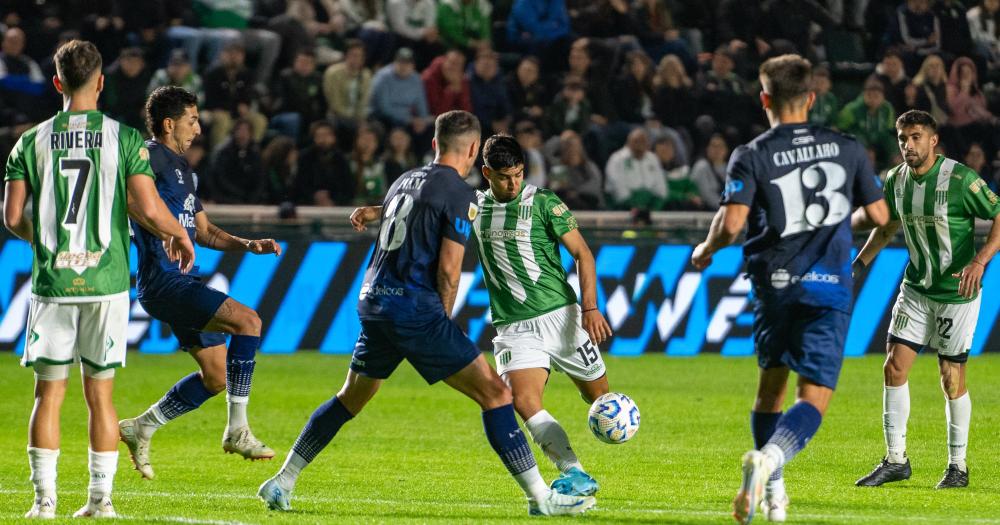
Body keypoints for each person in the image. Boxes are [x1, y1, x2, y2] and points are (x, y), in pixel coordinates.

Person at [257, 111, 596, 516]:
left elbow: (405, 212)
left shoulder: (406, 179)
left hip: (374, 302)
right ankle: (542, 499)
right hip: (415, 310)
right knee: (497, 394)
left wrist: (372, 210)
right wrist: (442, 322)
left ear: (435, 144)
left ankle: (282, 480)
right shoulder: (459, 193)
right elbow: (449, 270)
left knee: (350, 398)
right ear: (473, 150)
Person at [351, 134, 615, 497]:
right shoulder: (473, 205)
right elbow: (426, 208)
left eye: (519, 174)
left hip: (562, 318)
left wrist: (590, 309)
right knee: (523, 402)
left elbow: (583, 254)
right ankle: (575, 472)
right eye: (506, 176)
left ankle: (613, 419)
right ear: (487, 172)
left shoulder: (544, 204)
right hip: (513, 327)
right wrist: (376, 211)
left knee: (599, 398)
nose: (513, 183)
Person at [689, 54, 888, 524]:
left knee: (769, 393)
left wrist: (706, 248)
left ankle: (775, 497)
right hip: (827, 286)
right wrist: (845, 219)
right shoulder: (847, 147)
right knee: (813, 396)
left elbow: (733, 222)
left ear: (765, 99)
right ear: (813, 97)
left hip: (773, 284)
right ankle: (770, 463)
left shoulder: (753, 153)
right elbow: (880, 217)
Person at [3, 39, 195, 519]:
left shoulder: (30, 141)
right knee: (100, 394)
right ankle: (99, 500)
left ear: (56, 83)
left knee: (48, 394)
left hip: (53, 283)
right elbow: (149, 209)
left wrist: (40, 238)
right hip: (107, 281)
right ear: (102, 82)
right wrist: (179, 235)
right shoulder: (125, 139)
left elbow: (10, 216)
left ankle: (43, 501)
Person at [118, 86, 282, 481]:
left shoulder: (183, 170)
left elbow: (203, 231)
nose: (198, 128)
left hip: (181, 279)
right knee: (249, 322)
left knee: (216, 377)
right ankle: (237, 430)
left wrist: (247, 244)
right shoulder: (150, 156)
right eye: (192, 120)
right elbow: (128, 199)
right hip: (164, 281)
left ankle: (142, 426)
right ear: (169, 123)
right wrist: (166, 232)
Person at [853, 110, 1000, 490]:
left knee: (951, 378)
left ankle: (958, 466)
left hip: (956, 292)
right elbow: (886, 226)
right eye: (903, 138)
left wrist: (981, 261)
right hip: (916, 289)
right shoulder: (896, 181)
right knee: (893, 367)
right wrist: (860, 262)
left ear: (933, 140)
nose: (908, 145)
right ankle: (896, 460)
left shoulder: (960, 179)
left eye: (916, 137)